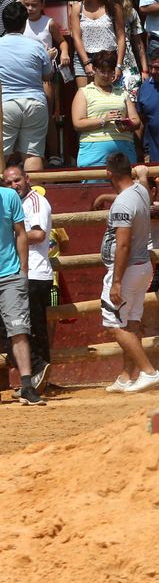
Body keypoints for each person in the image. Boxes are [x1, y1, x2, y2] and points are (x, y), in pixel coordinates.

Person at [97, 151, 159, 393]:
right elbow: (142, 185)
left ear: (109, 173)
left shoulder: (124, 202)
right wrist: (143, 175)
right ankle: (127, 376)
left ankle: (149, 372)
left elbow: (122, 244)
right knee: (131, 321)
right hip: (141, 266)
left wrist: (116, 281)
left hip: (126, 270)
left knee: (115, 324)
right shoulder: (140, 191)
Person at [6, 161, 53, 387]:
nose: (15, 185)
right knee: (31, 329)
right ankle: (39, 377)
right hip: (29, 272)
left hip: (34, 272)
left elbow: (38, 234)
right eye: (9, 182)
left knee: (26, 328)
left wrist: (11, 239)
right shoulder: (20, 202)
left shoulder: (35, 201)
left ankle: (38, 371)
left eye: (17, 180)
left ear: (27, 179)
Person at [0, 157, 41, 405]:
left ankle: (27, 384)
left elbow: (21, 233)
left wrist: (22, 270)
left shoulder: (9, 197)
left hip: (10, 272)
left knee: (19, 330)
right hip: (11, 272)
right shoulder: (9, 196)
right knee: (19, 331)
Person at [0, 0, 52, 174]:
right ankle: (35, 197)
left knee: (1, 155)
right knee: (33, 154)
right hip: (35, 103)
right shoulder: (37, 47)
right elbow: (47, 76)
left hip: (5, 104)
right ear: (24, 22)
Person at [72, 51, 141, 167]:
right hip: (93, 151)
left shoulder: (122, 93)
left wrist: (127, 124)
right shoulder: (84, 92)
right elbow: (78, 123)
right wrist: (103, 120)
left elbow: (136, 121)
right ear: (94, 69)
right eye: (102, 71)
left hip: (124, 150)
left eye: (110, 72)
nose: (106, 75)